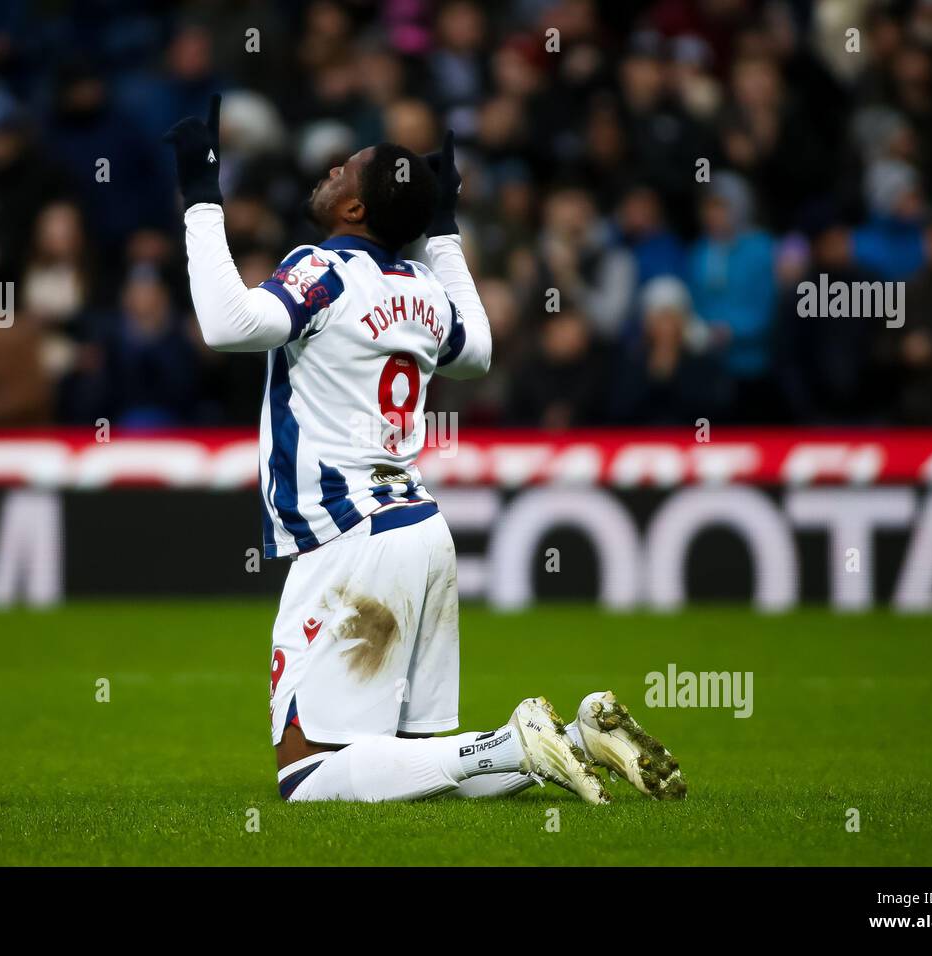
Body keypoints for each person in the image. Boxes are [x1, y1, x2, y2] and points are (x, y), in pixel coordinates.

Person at [164, 97, 684, 804]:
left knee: (307, 776)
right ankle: (576, 741)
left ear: (354, 212)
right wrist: (442, 229)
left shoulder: (322, 271)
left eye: (345, 170)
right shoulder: (422, 291)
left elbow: (228, 325)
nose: (329, 171)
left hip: (349, 542)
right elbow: (479, 351)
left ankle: (512, 741)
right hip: (421, 533)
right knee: (423, 766)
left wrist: (200, 193)